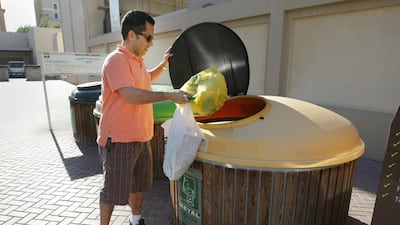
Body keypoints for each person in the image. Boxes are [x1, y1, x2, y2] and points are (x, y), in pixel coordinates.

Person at [97, 10, 189, 225]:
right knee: (113, 191)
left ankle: (136, 221)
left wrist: (163, 65)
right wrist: (168, 95)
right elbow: (130, 95)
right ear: (132, 35)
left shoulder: (136, 62)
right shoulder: (116, 60)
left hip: (141, 137)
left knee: (138, 186)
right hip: (119, 140)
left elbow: (145, 79)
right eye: (148, 37)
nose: (151, 43)